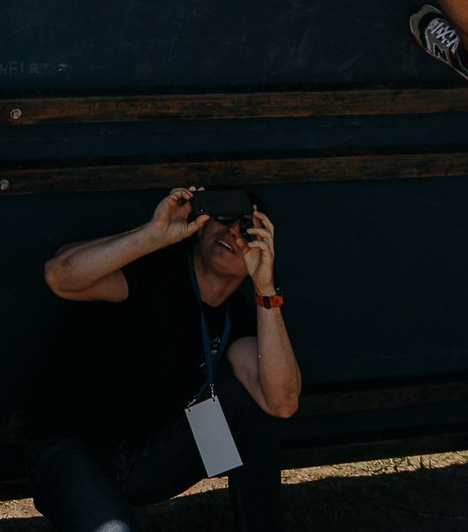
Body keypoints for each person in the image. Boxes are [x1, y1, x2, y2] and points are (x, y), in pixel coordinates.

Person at [23, 187, 300, 532]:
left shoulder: (238, 315)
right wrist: (152, 236)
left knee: (244, 405)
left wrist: (266, 290)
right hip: (72, 451)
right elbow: (60, 276)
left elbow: (281, 402)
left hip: (145, 458)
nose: (232, 231)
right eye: (224, 216)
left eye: (247, 229)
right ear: (202, 223)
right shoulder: (153, 269)